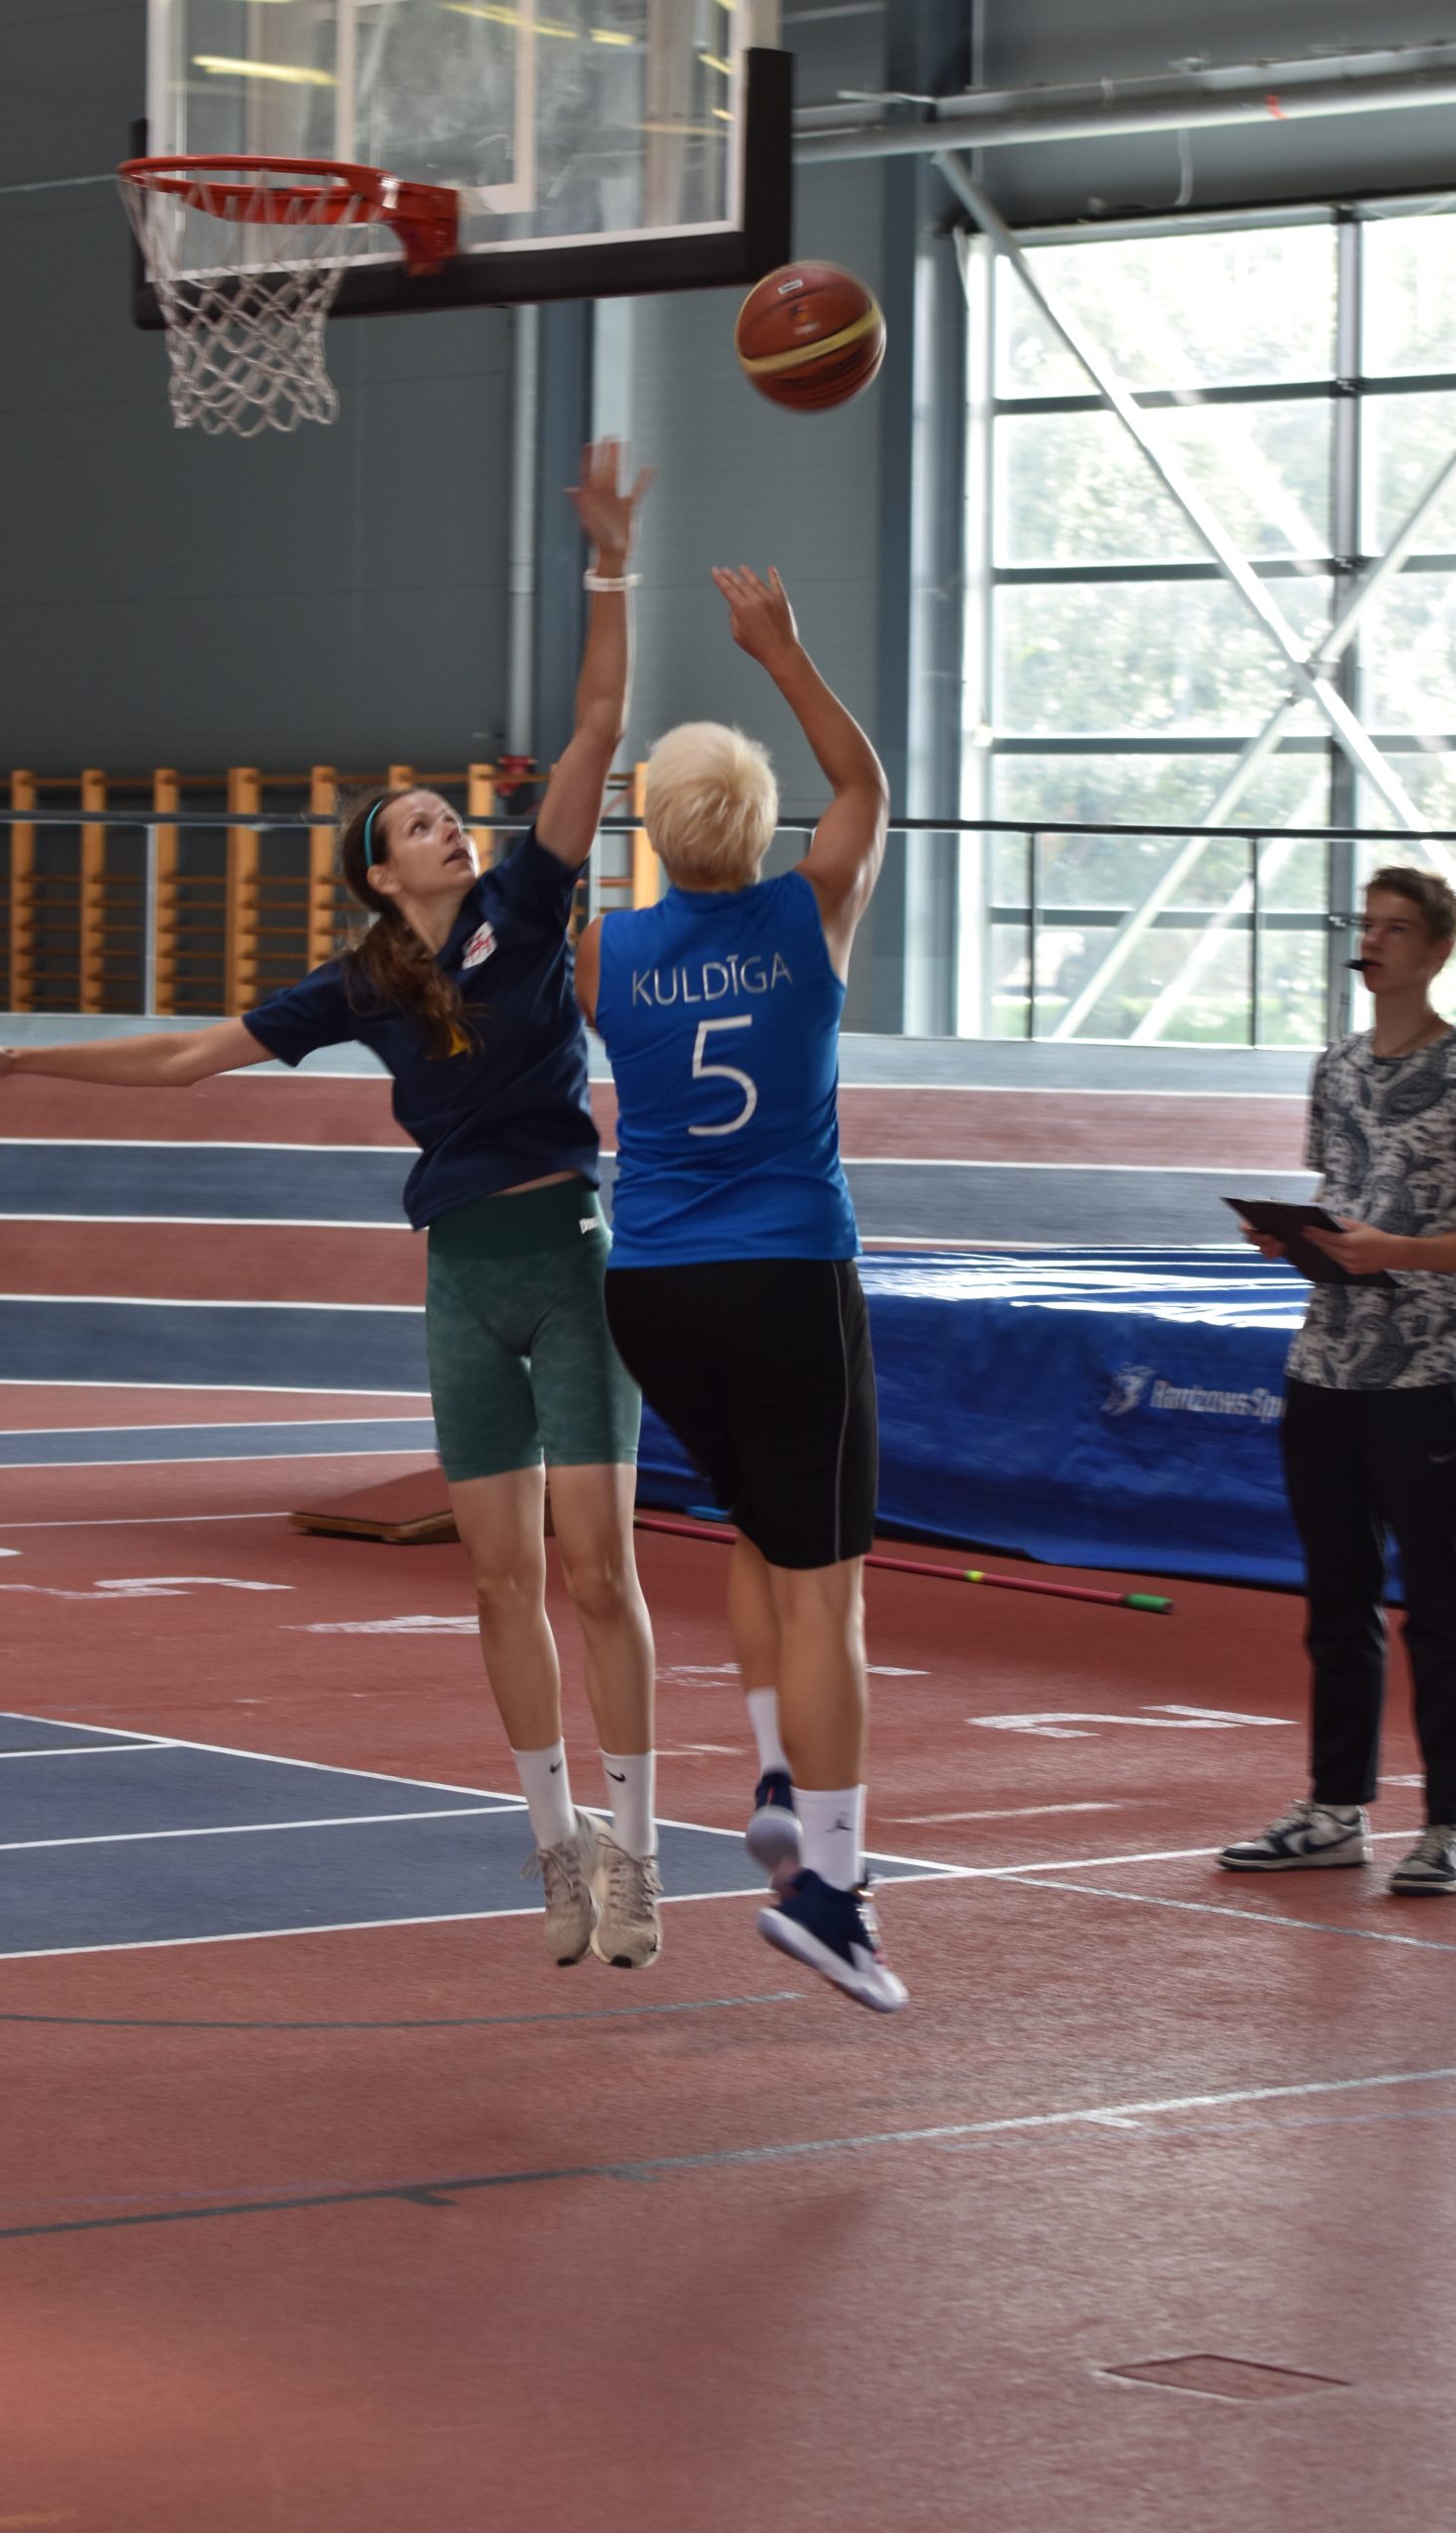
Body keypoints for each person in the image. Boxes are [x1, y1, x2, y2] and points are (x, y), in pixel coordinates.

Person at [0, 441, 665, 1972]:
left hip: (571, 1256)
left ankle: (637, 1851)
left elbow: (595, 723)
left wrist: (607, 565)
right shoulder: (359, 982)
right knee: (500, 1575)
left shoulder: (530, 904)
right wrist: (19, 1061)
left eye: (453, 814)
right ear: (380, 876)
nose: (451, 828)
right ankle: (551, 1842)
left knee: (599, 1568)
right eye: (422, 824)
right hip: (464, 1277)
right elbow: (187, 1057)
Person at [576, 562, 905, 2014]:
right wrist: (780, 650)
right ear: (760, 828)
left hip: (652, 1286)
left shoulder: (606, 951)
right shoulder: (806, 912)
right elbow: (867, 785)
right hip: (783, 1271)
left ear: (653, 832)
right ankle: (831, 1889)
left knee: (761, 1532)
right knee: (829, 1589)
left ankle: (775, 1768)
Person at [1222, 865, 1456, 1895]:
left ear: (1436, 952)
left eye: (1397, 929)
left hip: (1425, 1376)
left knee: (1439, 1605)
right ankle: (1334, 1809)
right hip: (1323, 1367)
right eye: (1369, 924)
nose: (1374, 941)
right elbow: (1339, 1196)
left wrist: (1391, 1250)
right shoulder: (1336, 1066)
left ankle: (1453, 1827)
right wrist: (1296, 1241)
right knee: (1335, 1597)